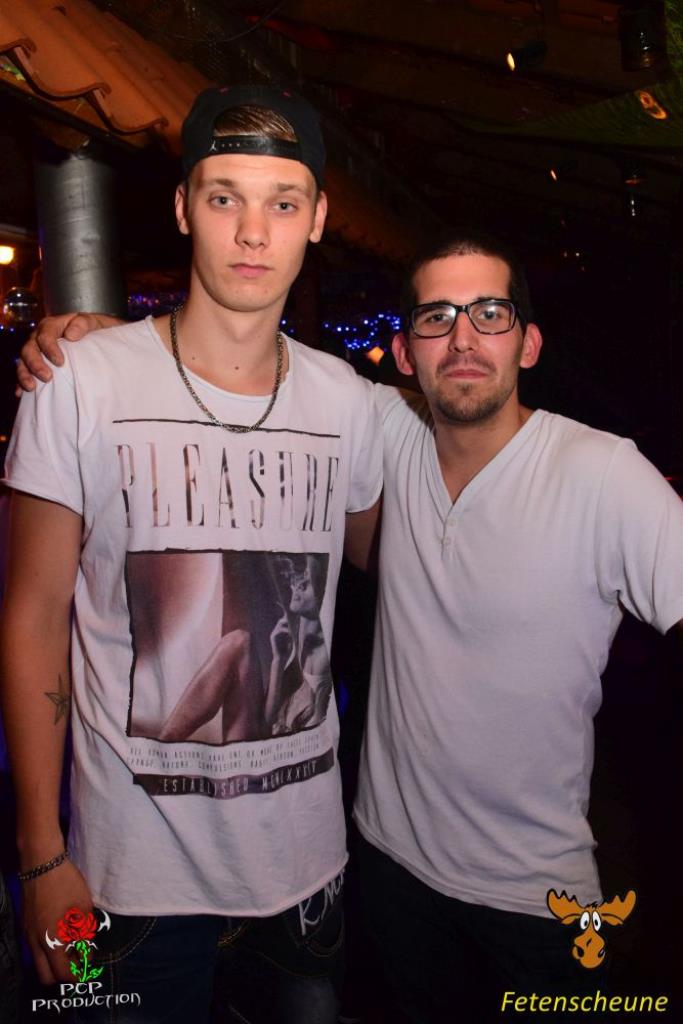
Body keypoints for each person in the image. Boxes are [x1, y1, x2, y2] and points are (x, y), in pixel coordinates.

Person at [18, 237, 683, 1020]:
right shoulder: (376, 425)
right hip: (386, 873)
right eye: (436, 317)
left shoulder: (604, 474)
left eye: (489, 313)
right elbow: (228, 360)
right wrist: (104, 341)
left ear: (527, 342)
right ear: (403, 353)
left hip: (536, 897)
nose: (462, 338)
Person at [0, 83, 382, 1024]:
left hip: (304, 880)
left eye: (282, 203)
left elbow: (410, 560)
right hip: (126, 885)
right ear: (182, 208)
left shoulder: (348, 402)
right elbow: (33, 616)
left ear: (316, 219)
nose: (253, 232)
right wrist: (41, 854)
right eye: (224, 198)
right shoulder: (79, 382)